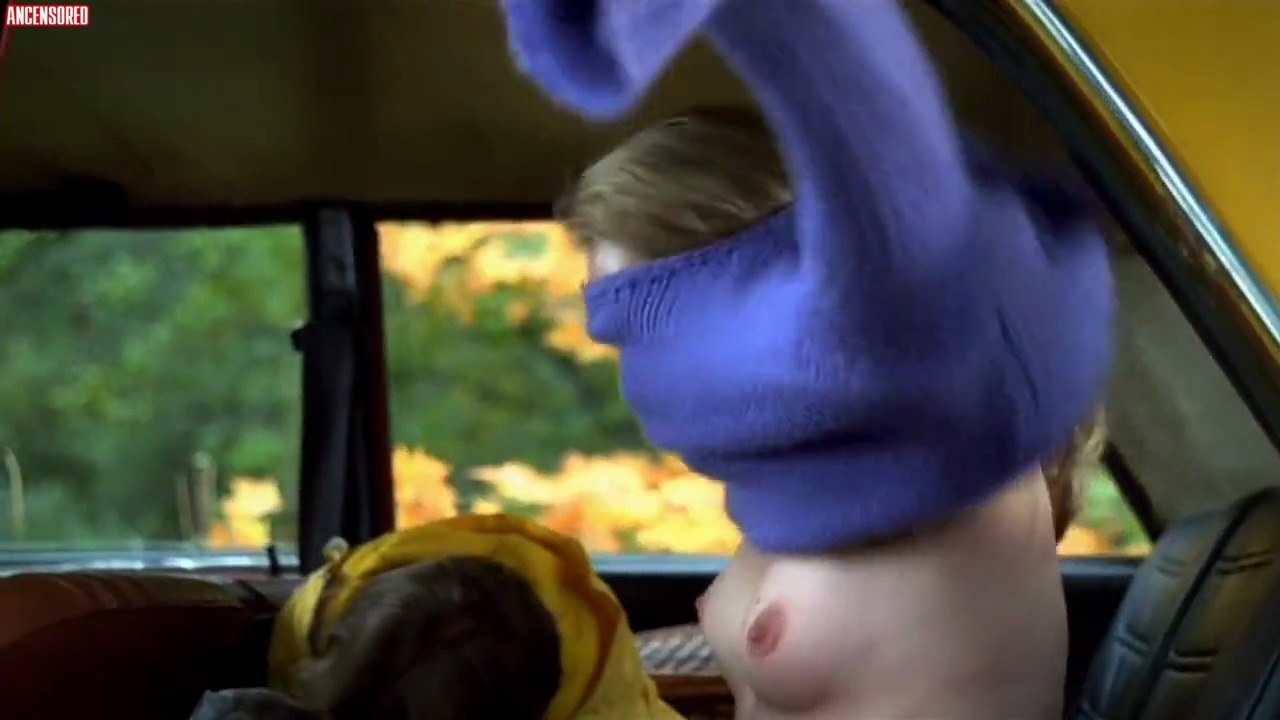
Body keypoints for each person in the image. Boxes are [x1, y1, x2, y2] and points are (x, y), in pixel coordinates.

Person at [501, 1, 1115, 718]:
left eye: (648, 314)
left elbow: (882, 164)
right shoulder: (809, 468)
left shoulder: (921, 394)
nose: (638, 365)